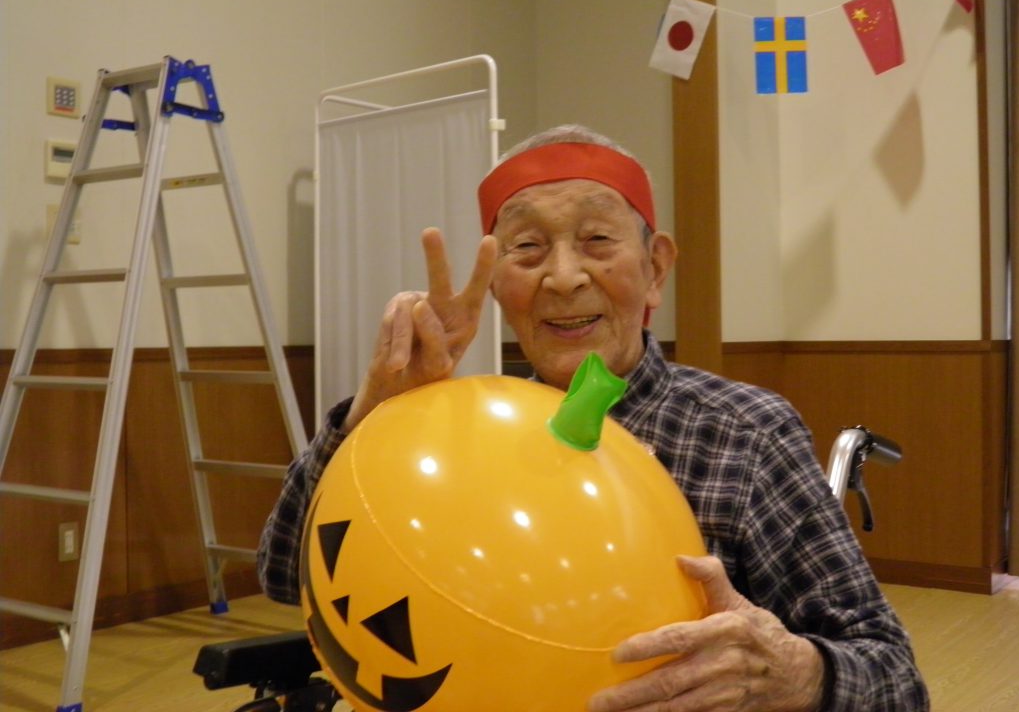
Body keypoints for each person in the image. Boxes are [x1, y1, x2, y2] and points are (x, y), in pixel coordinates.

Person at [257, 124, 929, 711]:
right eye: (526, 248)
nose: (563, 277)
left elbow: (896, 679)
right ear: (498, 285)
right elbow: (286, 573)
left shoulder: (743, 433)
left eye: (597, 239)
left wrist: (795, 673)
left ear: (655, 268)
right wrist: (376, 415)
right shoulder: (457, 438)